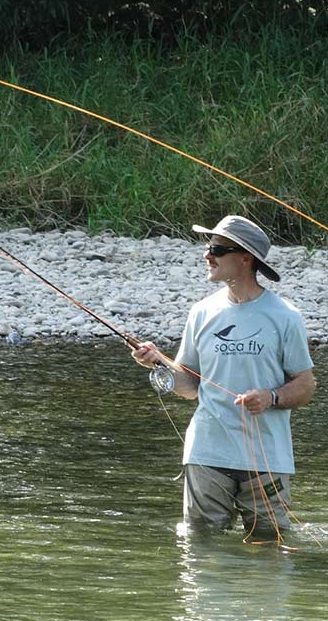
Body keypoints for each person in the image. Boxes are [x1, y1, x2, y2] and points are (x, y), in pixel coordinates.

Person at [131, 215, 316, 540]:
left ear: (245, 258)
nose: (207, 255)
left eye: (217, 249)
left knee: (269, 549)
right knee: (200, 548)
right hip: (206, 453)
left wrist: (271, 398)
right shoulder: (201, 312)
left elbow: (306, 383)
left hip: (267, 459)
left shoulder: (285, 316)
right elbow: (190, 387)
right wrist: (158, 362)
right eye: (208, 247)